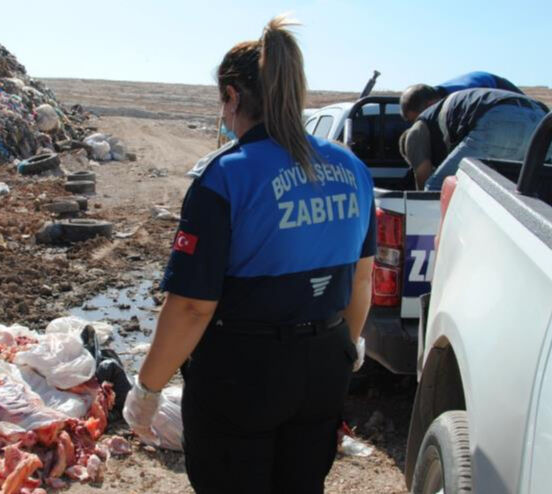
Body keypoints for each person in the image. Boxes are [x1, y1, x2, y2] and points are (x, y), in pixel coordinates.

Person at [121, 15, 376, 494]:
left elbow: (193, 305)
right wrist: (349, 345)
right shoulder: (352, 168)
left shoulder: (225, 176)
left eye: (222, 102)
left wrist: (148, 389)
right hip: (324, 366)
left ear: (233, 96)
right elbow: (361, 281)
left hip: (243, 373)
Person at [399, 87, 549, 191]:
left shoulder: (416, 130)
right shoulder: (456, 108)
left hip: (501, 120)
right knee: (516, 194)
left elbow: (422, 181)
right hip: (543, 120)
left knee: (436, 188)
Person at [400, 71, 523, 123]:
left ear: (430, 105)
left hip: (503, 92)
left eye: (419, 119)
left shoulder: (462, 100)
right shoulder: (433, 95)